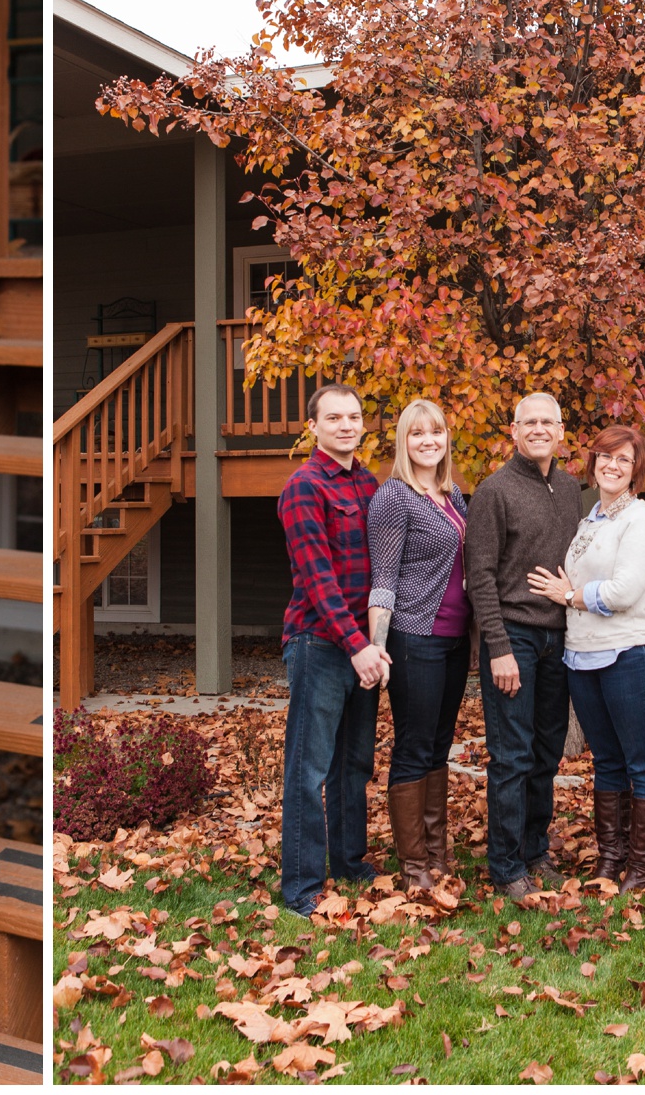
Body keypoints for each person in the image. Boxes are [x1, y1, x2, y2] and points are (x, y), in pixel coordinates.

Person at [526, 426, 645, 889]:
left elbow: (624, 592)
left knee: (642, 761)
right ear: (593, 463)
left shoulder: (642, 520)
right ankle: (611, 857)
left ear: (636, 471)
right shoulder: (590, 520)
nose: (612, 465)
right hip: (582, 657)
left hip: (630, 653)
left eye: (624, 460)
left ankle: (643, 868)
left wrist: (569, 596)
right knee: (607, 761)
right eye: (605, 457)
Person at [464, 392, 584, 899]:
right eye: (527, 421)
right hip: (513, 635)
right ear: (513, 431)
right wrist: (498, 648)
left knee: (545, 753)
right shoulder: (494, 490)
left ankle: (536, 850)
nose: (538, 429)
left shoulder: (571, 486)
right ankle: (507, 864)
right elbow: (481, 576)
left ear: (561, 432)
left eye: (547, 422)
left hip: (561, 639)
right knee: (511, 755)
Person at [277, 383, 390, 917]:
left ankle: (349, 862)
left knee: (354, 764)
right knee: (309, 768)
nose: (346, 425)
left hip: (363, 647)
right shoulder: (304, 487)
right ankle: (301, 885)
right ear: (314, 427)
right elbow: (317, 578)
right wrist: (356, 645)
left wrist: (374, 643)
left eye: (354, 416)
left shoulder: (369, 484)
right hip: (321, 644)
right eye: (334, 418)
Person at [365, 398, 473, 893]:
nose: (429, 441)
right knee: (413, 747)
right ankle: (413, 866)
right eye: (417, 433)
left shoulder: (453, 497)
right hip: (414, 637)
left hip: (452, 640)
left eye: (437, 432)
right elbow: (383, 579)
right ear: (404, 443)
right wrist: (378, 646)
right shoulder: (394, 496)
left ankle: (436, 851)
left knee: (438, 745)